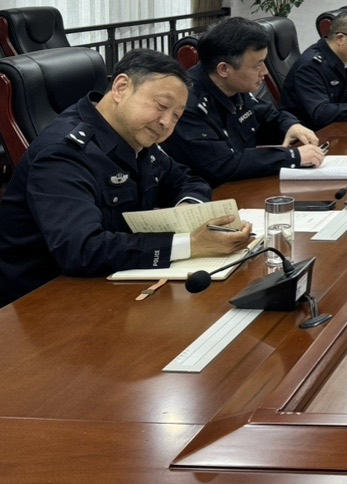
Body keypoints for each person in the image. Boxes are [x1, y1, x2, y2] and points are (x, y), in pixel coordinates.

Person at [0, 49, 254, 307]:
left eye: (176, 116)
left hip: (113, 280)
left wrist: (188, 210)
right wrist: (191, 244)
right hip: (43, 301)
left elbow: (189, 180)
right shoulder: (64, 153)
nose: (166, 123)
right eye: (161, 106)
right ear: (121, 88)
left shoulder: (136, 137)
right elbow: (81, 249)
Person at [163, 17, 325, 186]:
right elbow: (221, 166)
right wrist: (291, 156)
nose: (265, 72)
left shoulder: (233, 87)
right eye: (258, 65)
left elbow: (267, 114)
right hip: (216, 194)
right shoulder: (187, 104)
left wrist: (291, 125)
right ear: (224, 69)